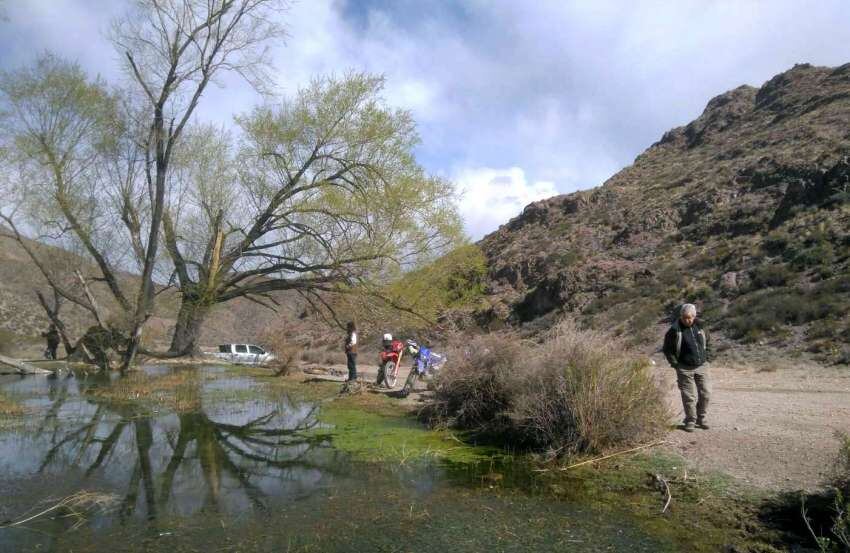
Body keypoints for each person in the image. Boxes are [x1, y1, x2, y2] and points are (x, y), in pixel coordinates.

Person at [663, 303, 710, 432]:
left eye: (690, 317)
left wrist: (708, 358)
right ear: (681, 316)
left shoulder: (701, 327)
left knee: (705, 393)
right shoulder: (674, 331)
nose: (687, 320)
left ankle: (701, 418)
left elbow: (709, 342)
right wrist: (676, 364)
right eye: (684, 317)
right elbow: (667, 350)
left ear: (694, 316)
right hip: (684, 367)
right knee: (689, 396)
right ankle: (690, 420)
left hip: (702, 366)